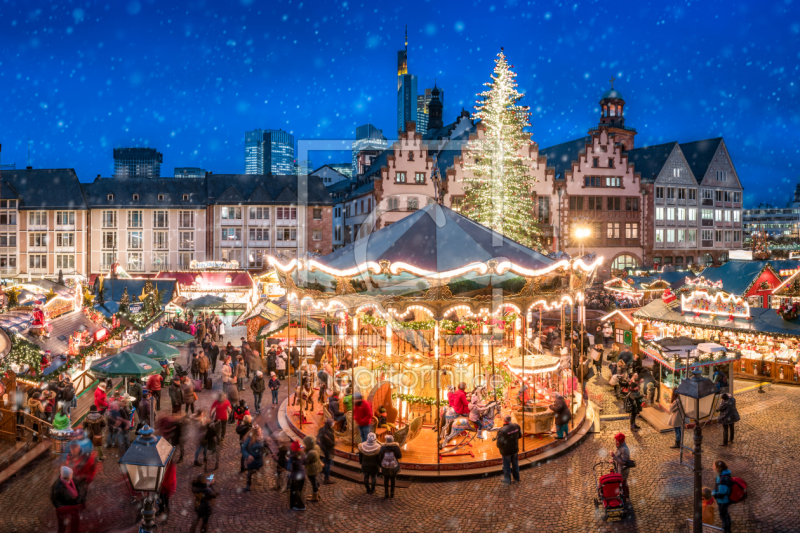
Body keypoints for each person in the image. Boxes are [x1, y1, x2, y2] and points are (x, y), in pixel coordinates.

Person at [51, 466, 86, 533]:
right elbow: (55, 500)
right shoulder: (57, 486)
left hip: (73, 506)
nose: (72, 475)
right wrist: (64, 508)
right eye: (71, 474)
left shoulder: (72, 480)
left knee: (75, 522)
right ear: (67, 476)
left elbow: (78, 490)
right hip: (65, 508)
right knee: (62, 525)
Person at [496, 415, 522, 484]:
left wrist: (499, 446)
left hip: (506, 451)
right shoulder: (516, 426)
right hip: (515, 448)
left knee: (506, 465)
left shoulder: (502, 430)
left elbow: (499, 443)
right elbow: (520, 436)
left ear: (504, 421)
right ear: (510, 419)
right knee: (515, 463)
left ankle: (507, 480)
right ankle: (516, 477)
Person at [712, 460, 734, 533]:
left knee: (724, 516)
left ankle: (727, 530)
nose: (712, 467)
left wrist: (713, 494)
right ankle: (727, 526)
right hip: (723, 500)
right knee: (725, 514)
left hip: (723, 501)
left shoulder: (723, 478)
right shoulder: (723, 474)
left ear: (718, 468)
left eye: (714, 465)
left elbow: (721, 494)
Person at [241, 426, 265, 491]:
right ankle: (248, 486)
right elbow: (243, 448)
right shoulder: (250, 439)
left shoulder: (261, 438)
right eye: (259, 431)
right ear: (255, 432)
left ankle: (257, 477)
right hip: (252, 460)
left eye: (260, 431)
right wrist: (248, 456)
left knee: (258, 469)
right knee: (249, 473)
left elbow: (263, 447)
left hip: (259, 458)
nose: (260, 432)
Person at [379, 434, 402, 499]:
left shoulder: (383, 447)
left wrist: (381, 464)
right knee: (393, 479)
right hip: (394, 466)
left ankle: (386, 493)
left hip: (385, 466)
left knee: (386, 479)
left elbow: (380, 456)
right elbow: (399, 456)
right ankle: (392, 493)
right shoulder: (396, 447)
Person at [303, 435, 324, 502]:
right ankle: (317, 493)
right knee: (316, 480)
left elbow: (305, 461)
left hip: (311, 469)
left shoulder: (311, 452)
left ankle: (315, 496)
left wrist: (303, 452)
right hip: (317, 465)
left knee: (313, 482)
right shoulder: (316, 447)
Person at [611, 432, 631, 497]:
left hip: (623, 470)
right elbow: (618, 457)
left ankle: (625, 495)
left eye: (616, 440)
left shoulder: (624, 449)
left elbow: (623, 461)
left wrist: (614, 456)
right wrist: (613, 460)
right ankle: (625, 494)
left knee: (623, 482)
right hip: (619, 468)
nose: (615, 441)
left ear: (620, 441)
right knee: (623, 482)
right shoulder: (619, 446)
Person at [289, 440, 306, 510]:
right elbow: (305, 461)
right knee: (299, 491)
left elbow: (289, 468)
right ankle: (295, 504)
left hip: (296, 477)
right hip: (302, 475)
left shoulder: (292, 457)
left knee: (295, 492)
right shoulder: (302, 453)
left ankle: (300, 506)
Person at [317, 419, 336, 485]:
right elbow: (332, 444)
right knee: (328, 463)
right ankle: (326, 478)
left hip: (323, 447)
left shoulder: (321, 429)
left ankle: (320, 465)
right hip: (328, 449)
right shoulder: (329, 433)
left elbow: (318, 436)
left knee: (326, 460)